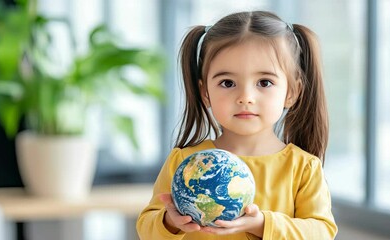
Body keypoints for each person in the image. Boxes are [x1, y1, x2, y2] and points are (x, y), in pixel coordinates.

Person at [136, 10, 337, 240]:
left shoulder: (303, 168)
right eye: (227, 83)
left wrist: (262, 224)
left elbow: (322, 232)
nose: (245, 97)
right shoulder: (183, 163)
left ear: (292, 92)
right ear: (205, 92)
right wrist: (170, 222)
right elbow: (146, 228)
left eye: (264, 82)